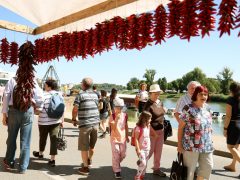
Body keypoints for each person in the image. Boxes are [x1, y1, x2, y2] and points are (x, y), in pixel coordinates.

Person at [2, 77, 43, 173]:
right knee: (25, 141)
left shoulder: (12, 80)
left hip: (13, 111)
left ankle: (9, 161)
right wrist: (37, 108)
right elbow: (40, 97)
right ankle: (23, 167)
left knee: (11, 138)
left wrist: (4, 114)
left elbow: (6, 96)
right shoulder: (32, 80)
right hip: (28, 110)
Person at [178, 86, 214, 180]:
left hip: (206, 145)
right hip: (191, 146)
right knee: (189, 172)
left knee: (208, 167)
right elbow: (181, 127)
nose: (203, 96)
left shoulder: (208, 109)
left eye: (205, 94)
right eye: (201, 94)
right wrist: (179, 145)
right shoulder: (188, 108)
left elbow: (209, 127)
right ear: (195, 95)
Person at [32, 79, 64, 167]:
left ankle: (41, 153)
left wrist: (34, 111)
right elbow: (62, 108)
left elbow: (39, 110)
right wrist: (62, 120)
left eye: (45, 85)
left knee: (42, 138)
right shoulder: (60, 95)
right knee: (54, 140)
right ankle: (52, 159)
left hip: (43, 122)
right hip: (56, 121)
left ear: (49, 86)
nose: (44, 86)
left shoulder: (43, 94)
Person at [72, 77, 100, 176]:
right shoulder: (96, 94)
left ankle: (85, 168)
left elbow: (75, 109)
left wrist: (74, 119)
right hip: (96, 123)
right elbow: (98, 106)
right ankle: (89, 161)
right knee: (92, 146)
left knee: (84, 147)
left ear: (83, 84)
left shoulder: (80, 94)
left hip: (85, 124)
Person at [143, 84, 166, 177]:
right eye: (155, 93)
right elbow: (145, 121)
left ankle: (156, 169)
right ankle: (142, 169)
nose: (157, 95)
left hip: (161, 130)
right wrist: (153, 132)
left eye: (158, 93)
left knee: (158, 152)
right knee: (150, 151)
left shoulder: (160, 102)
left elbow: (162, 114)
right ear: (150, 93)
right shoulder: (148, 104)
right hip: (152, 131)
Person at [109, 97, 129, 179]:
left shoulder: (125, 115)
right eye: (118, 107)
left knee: (123, 154)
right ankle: (117, 171)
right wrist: (116, 119)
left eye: (121, 107)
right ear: (114, 107)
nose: (119, 109)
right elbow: (113, 128)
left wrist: (127, 136)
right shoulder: (112, 116)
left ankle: (115, 163)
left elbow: (126, 126)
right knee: (116, 154)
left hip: (123, 138)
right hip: (114, 138)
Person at [223, 82, 240, 173]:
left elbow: (228, 116)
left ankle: (234, 165)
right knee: (236, 147)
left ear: (231, 90)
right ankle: (233, 166)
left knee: (230, 147)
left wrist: (225, 129)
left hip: (234, 126)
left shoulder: (230, 99)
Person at [134, 111, 153, 180]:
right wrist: (138, 149)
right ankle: (137, 177)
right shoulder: (138, 128)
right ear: (145, 119)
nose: (151, 120)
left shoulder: (148, 126)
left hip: (147, 149)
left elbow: (147, 138)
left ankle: (141, 176)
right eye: (150, 118)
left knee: (145, 165)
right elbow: (136, 139)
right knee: (143, 164)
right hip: (141, 149)